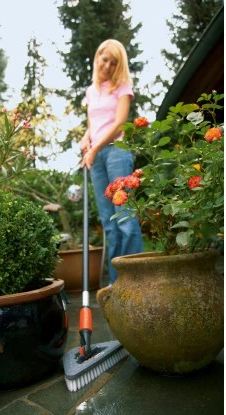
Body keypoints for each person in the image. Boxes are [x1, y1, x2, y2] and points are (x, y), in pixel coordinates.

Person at [80, 39, 143, 285]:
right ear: (97, 58)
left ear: (119, 65)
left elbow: (119, 123)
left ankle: (136, 280)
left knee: (124, 218)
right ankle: (118, 284)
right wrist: (86, 138)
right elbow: (93, 124)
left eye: (113, 62)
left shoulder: (122, 87)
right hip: (96, 157)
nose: (107, 66)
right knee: (109, 224)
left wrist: (95, 148)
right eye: (104, 59)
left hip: (116, 152)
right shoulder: (91, 91)